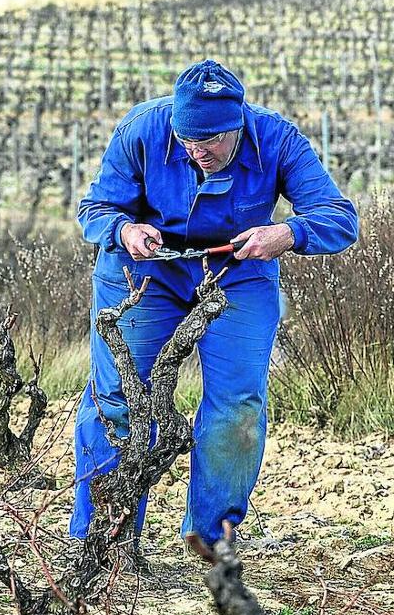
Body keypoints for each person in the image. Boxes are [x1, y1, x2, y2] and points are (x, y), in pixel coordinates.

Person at [71, 58, 359, 549]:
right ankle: (105, 537)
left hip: (239, 269)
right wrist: (125, 229)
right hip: (143, 270)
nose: (198, 152)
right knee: (116, 397)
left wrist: (287, 233)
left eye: (211, 143)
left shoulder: (277, 139)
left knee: (237, 405)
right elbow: (94, 209)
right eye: (187, 142)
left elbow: (339, 217)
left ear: (238, 125)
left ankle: (210, 539)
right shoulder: (142, 130)